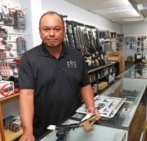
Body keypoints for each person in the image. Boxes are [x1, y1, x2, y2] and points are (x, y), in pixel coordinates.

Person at [18, 11, 100, 141]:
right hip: (43, 129)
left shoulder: (76, 56)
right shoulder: (29, 59)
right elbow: (26, 95)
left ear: (64, 31)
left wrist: (91, 106)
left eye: (56, 29)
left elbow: (85, 85)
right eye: (46, 29)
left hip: (74, 124)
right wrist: (27, 131)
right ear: (40, 31)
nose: (51, 34)